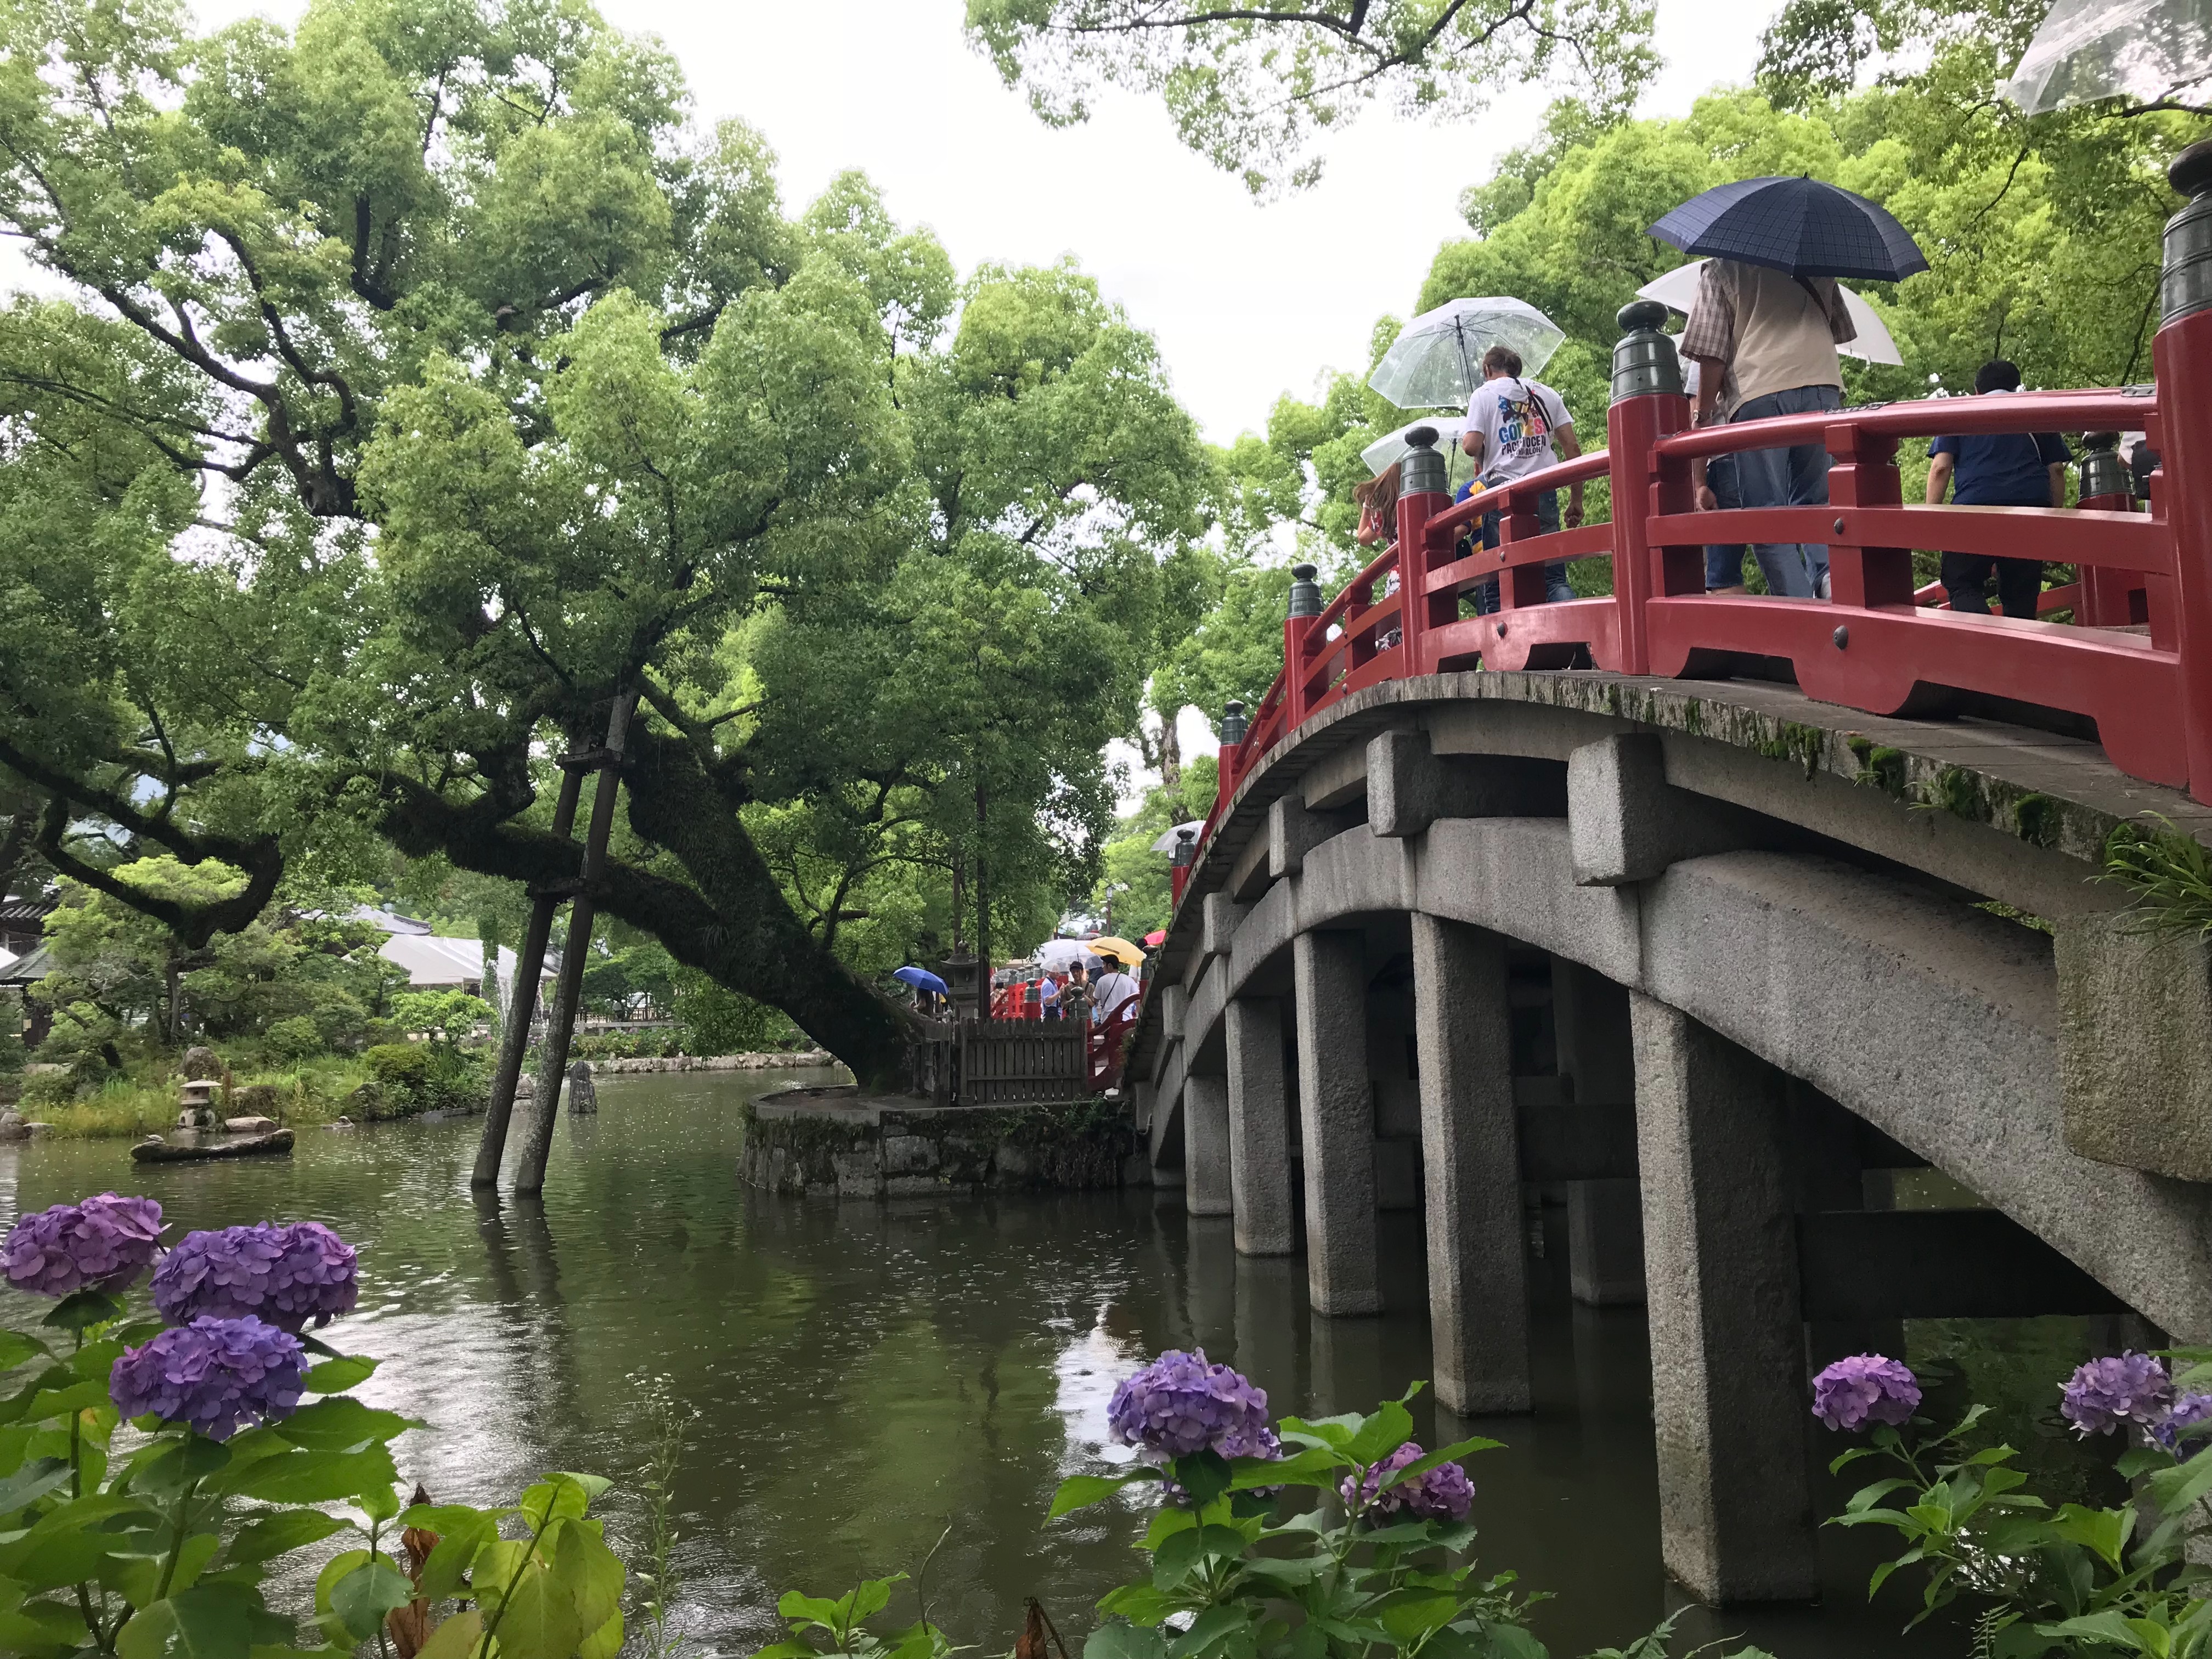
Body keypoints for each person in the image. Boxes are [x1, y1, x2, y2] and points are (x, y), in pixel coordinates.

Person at [1680, 258, 1857, 599]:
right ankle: (1829, 582)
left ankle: (1804, 612)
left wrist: (1703, 414)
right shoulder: (1816, 262)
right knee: (1818, 504)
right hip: (1823, 384)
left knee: (1766, 516)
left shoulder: (1721, 267)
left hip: (1759, 389)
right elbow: (1839, 329)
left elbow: (1710, 353)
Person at [1926, 359, 2070, 620]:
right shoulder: (2035, 413)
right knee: (2021, 592)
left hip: (1975, 508)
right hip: (2030, 509)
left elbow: (1940, 468)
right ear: (2016, 386)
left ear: (1976, 391)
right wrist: (2055, 517)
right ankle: (2020, 653)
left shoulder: (1960, 412)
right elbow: (2057, 469)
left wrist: (1931, 518)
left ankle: (1989, 641)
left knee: (1962, 582)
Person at [1460, 346, 1582, 613]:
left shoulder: (1483, 395)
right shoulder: (1545, 392)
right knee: (1553, 579)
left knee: (1498, 581)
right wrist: (1576, 500)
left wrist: (1473, 438)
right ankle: (1578, 640)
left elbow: (1471, 446)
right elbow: (1573, 449)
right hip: (1544, 491)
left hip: (1503, 497)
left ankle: (1504, 650)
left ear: (1487, 370)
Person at [1353, 462, 1400, 547]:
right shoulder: (1418, 503)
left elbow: (1362, 539)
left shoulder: (1384, 517)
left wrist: (1367, 506)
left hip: (1402, 559)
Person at [1089, 957, 1140, 1025]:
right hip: (1126, 1020)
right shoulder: (1129, 980)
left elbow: (1095, 999)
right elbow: (1138, 1000)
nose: (1102, 968)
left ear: (1109, 966)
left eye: (1104, 965)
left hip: (1107, 1021)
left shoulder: (1102, 980)